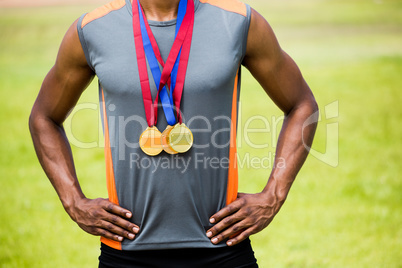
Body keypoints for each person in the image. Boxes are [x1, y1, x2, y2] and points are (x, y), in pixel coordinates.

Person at [29, 0, 318, 267]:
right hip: (126, 254)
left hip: (223, 249)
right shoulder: (92, 29)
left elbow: (302, 105)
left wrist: (273, 195)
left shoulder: (238, 22)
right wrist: (73, 201)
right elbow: (44, 117)